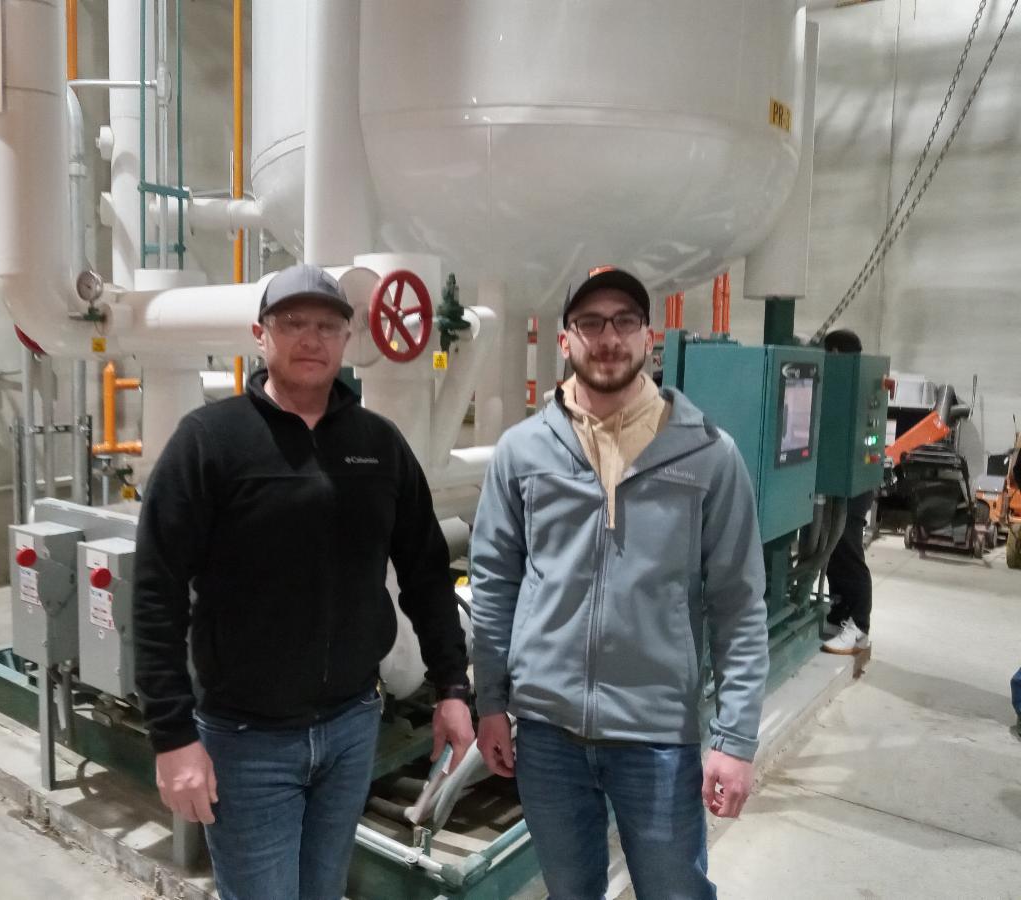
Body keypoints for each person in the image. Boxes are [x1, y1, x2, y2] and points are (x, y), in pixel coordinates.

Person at [133, 263, 475, 900]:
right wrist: (172, 735)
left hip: (352, 725)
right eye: (292, 323)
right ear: (259, 334)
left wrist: (452, 686)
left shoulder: (378, 444)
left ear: (347, 339)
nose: (311, 338)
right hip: (246, 740)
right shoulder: (210, 442)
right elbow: (157, 593)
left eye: (327, 325)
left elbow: (427, 571)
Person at [471, 266, 769, 900]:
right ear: (565, 340)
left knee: (674, 891)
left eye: (625, 321)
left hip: (656, 734)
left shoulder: (708, 454)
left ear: (649, 337)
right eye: (590, 323)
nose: (608, 338)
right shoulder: (522, 452)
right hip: (547, 731)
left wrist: (736, 738)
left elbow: (739, 605)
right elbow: (495, 583)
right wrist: (491, 702)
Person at [820, 328, 874, 655]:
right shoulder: (854, 380)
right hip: (844, 477)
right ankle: (840, 611)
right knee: (832, 548)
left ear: (836, 353)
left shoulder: (850, 381)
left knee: (847, 550)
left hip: (853, 481)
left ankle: (859, 625)